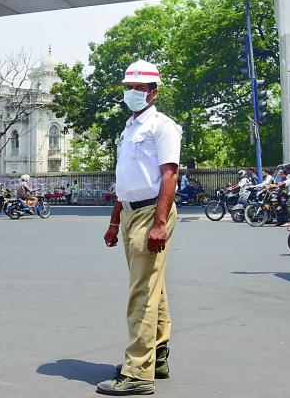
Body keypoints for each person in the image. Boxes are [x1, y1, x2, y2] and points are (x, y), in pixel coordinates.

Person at [99, 59, 182, 396]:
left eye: (140, 87)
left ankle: (137, 372)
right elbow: (126, 179)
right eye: (129, 87)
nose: (132, 92)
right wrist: (115, 218)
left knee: (141, 291)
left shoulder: (162, 126)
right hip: (132, 213)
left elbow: (169, 175)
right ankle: (156, 356)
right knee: (153, 287)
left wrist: (160, 223)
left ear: (153, 92)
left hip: (151, 212)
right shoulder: (130, 127)